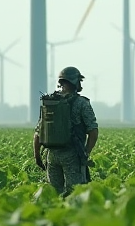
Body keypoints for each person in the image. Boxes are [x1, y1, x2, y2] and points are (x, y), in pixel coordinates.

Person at [33, 66, 98, 196]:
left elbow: (38, 133)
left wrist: (37, 156)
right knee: (75, 194)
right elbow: (93, 131)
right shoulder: (81, 103)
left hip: (51, 155)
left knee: (54, 194)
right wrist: (86, 153)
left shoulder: (50, 102)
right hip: (72, 154)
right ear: (75, 82)